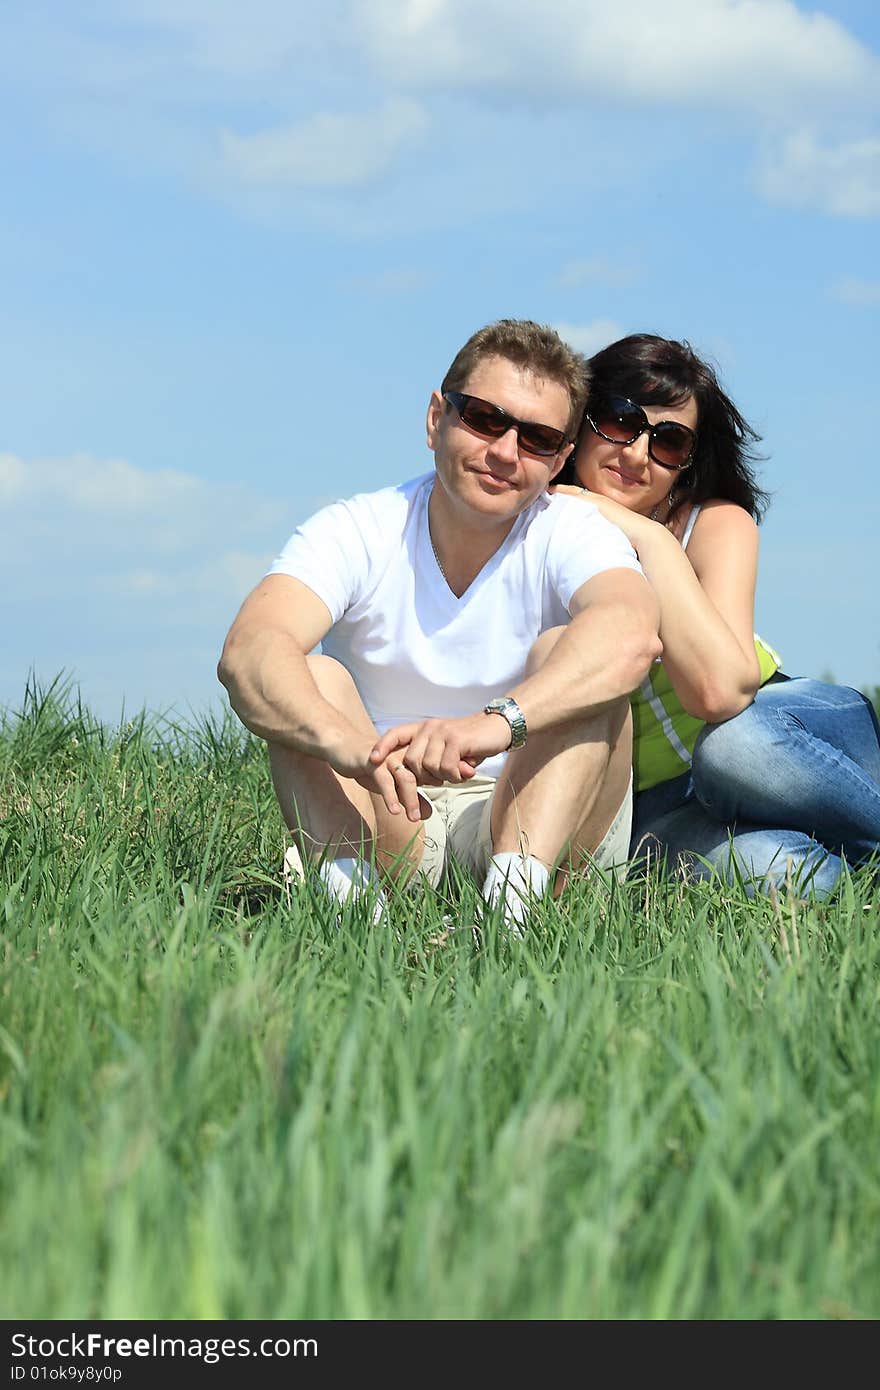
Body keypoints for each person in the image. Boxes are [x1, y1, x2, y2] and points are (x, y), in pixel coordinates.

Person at [218, 320, 661, 929]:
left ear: (560, 460)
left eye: (535, 439)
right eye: (484, 418)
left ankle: (514, 918)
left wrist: (495, 724)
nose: (505, 452)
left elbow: (631, 634)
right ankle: (349, 905)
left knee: (580, 655)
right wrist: (354, 751)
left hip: (543, 825)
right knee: (311, 677)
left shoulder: (573, 531)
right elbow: (250, 651)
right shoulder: (358, 527)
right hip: (393, 814)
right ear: (436, 418)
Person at [553, 333, 880, 897]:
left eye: (669, 441)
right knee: (778, 872)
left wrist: (649, 541)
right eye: (619, 420)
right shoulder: (534, 532)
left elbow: (718, 695)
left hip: (781, 735)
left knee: (732, 751)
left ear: (688, 461)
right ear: (580, 419)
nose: (636, 453)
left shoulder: (713, 522)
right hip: (657, 803)